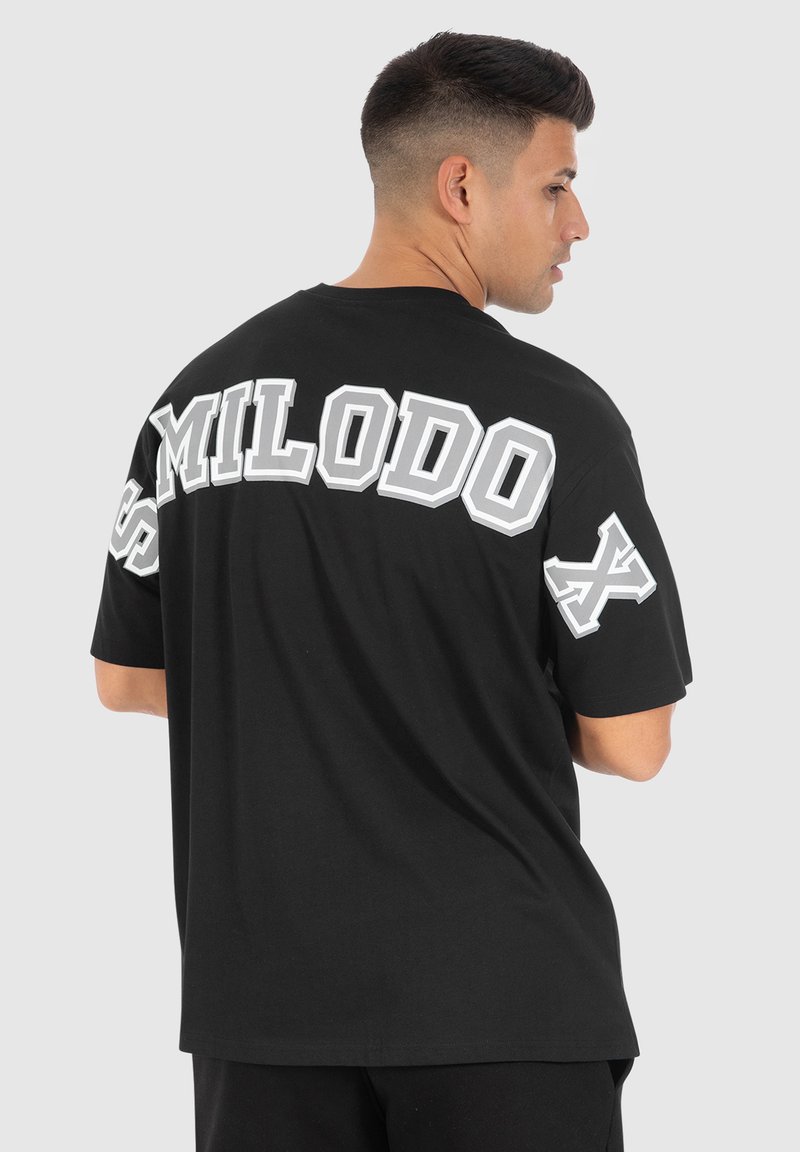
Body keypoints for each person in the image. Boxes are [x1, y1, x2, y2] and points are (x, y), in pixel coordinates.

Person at [90, 29, 692, 1152]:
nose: (577, 223)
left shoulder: (194, 402)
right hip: (502, 1008)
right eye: (556, 185)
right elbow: (633, 741)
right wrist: (452, 700)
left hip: (259, 1012)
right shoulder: (554, 416)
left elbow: (126, 677)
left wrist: (316, 699)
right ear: (461, 186)